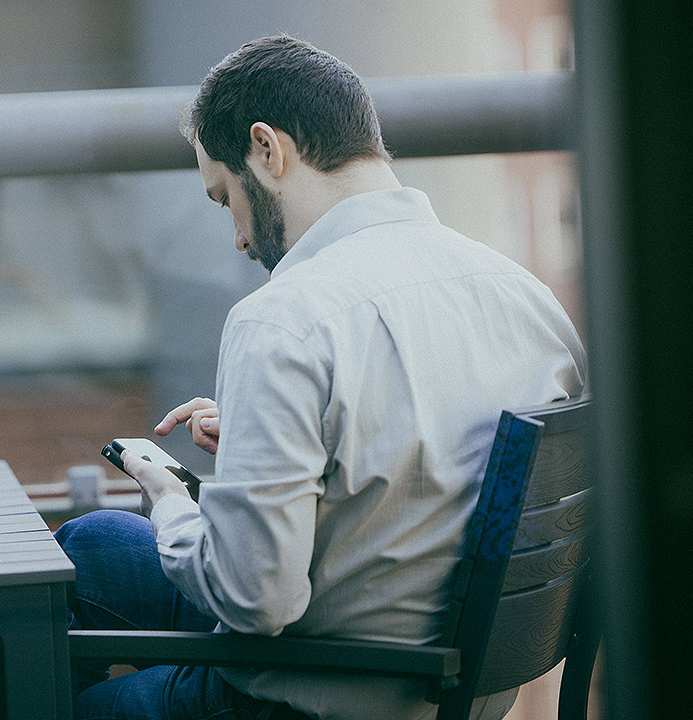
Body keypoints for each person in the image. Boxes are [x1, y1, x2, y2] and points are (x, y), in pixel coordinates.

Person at [60, 34, 587, 720]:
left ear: (267, 151)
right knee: (92, 546)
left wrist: (169, 499)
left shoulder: (282, 322)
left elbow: (258, 602)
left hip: (319, 688)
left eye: (226, 199)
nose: (239, 239)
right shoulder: (529, 299)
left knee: (42, 689)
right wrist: (270, 443)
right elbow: (439, 466)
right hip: (460, 685)